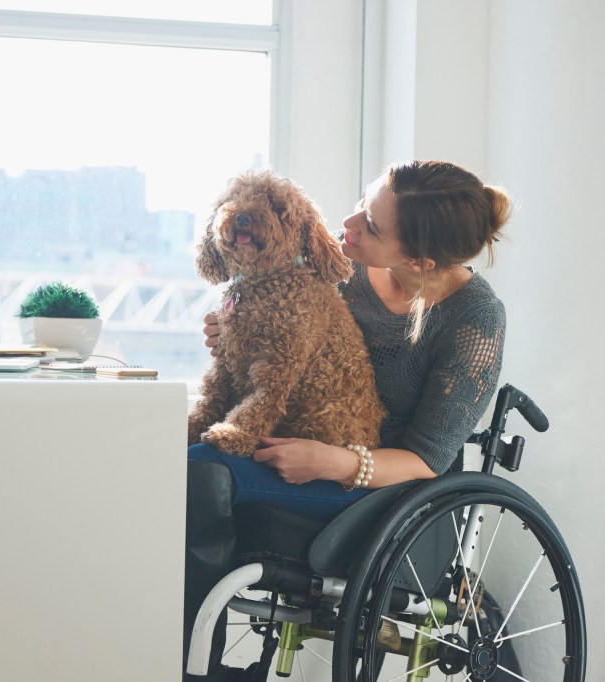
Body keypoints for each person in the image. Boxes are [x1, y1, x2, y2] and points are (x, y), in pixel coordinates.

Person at [183, 160, 511, 681]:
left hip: (387, 490)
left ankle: (195, 667)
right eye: (363, 201)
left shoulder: (475, 321)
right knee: (174, 458)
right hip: (298, 439)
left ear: (421, 260)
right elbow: (282, 328)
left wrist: (332, 461)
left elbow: (428, 458)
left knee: (200, 470)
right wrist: (231, 336)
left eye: (372, 227)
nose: (349, 223)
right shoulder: (343, 263)